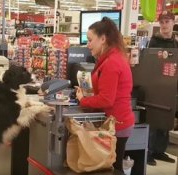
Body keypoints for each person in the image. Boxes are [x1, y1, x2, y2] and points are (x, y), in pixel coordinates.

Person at [75, 17, 135, 173]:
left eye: (90, 40)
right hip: (116, 121)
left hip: (117, 124)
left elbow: (106, 99)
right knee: (111, 165)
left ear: (103, 39)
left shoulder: (112, 62)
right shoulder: (110, 58)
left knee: (112, 168)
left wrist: (83, 100)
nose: (88, 45)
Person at [146, 10, 177, 166]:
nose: (165, 25)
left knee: (166, 118)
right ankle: (149, 152)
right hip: (155, 85)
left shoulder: (175, 43)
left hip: (170, 86)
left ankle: (160, 150)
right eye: (162, 22)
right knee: (154, 118)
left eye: (167, 21)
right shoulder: (154, 42)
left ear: (173, 22)